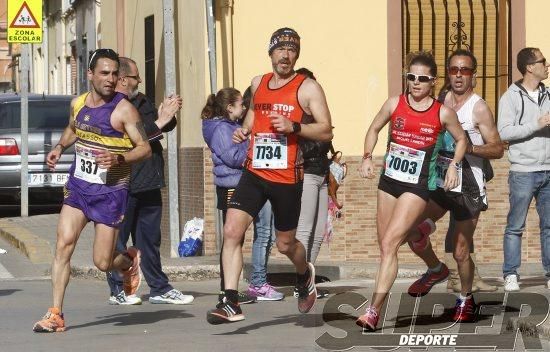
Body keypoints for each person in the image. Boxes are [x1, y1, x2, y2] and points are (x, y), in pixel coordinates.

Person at [206, 27, 333, 324]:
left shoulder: (308, 87)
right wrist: (245, 130)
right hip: (254, 172)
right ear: (271, 53)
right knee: (232, 231)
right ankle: (230, 302)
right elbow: (254, 115)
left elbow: (326, 128)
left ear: (296, 55)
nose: (285, 56)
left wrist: (295, 127)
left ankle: (304, 274)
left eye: (291, 51)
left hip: (287, 177)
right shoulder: (258, 83)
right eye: (280, 49)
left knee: (285, 244)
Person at [33, 48, 152, 332]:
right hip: (79, 187)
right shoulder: (78, 103)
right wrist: (60, 147)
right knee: (63, 243)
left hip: (111, 192)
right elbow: (74, 128)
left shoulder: (124, 110)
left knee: (102, 262)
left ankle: (127, 261)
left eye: (114, 74)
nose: (111, 79)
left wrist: (119, 158)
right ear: (90, 74)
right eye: (104, 73)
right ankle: (56, 314)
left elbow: (145, 148)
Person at [357, 50, 467, 331]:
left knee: (392, 242)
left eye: (422, 78)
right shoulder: (395, 103)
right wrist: (367, 156)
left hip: (416, 186)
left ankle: (373, 311)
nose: (416, 82)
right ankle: (436, 268)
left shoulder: (442, 112)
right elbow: (373, 128)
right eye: (411, 77)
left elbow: (461, 139)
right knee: (386, 246)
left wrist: (454, 165)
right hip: (389, 180)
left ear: (432, 82)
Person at [404, 49, 504, 322]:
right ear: (447, 73)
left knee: (461, 251)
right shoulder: (440, 99)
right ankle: (435, 269)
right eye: (454, 70)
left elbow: (497, 149)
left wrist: (469, 146)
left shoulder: (479, 107)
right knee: (411, 231)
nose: (459, 75)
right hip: (440, 180)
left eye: (466, 70)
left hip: (468, 186)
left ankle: (466, 298)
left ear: (474, 75)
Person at [105, 57, 194, 305]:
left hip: (150, 180)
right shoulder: (113, 107)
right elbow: (135, 139)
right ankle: (118, 291)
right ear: (122, 79)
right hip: (124, 184)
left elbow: (161, 126)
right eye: (135, 77)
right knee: (119, 242)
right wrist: (161, 120)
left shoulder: (142, 100)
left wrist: (169, 112)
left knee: (150, 241)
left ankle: (159, 288)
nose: (140, 80)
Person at [202, 88, 283, 303]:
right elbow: (232, 157)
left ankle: (230, 288)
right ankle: (226, 289)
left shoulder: (232, 126)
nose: (245, 108)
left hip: (239, 183)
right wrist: (253, 148)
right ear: (229, 107)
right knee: (232, 237)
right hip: (231, 185)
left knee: (237, 238)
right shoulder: (221, 129)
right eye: (240, 105)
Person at [497, 47, 550, 291]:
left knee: (548, 225)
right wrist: (537, 124)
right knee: (515, 225)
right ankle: (510, 274)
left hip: (548, 169)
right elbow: (504, 132)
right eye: (543, 61)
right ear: (530, 67)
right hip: (523, 171)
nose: (546, 65)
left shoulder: (548, 94)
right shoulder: (510, 97)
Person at [294, 67, 331, 299]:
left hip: (322, 174)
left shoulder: (321, 119)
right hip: (306, 174)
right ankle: (301, 282)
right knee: (304, 228)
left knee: (318, 232)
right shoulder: (296, 121)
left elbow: (327, 139)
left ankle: (310, 280)